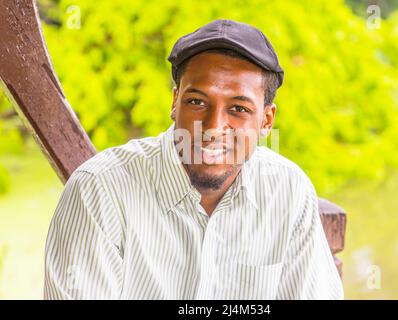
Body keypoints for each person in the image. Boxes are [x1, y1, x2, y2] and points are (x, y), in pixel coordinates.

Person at [44, 19, 344, 300]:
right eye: (197, 102)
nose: (213, 128)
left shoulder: (287, 191)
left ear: (266, 120)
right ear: (175, 102)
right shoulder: (100, 190)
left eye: (238, 109)